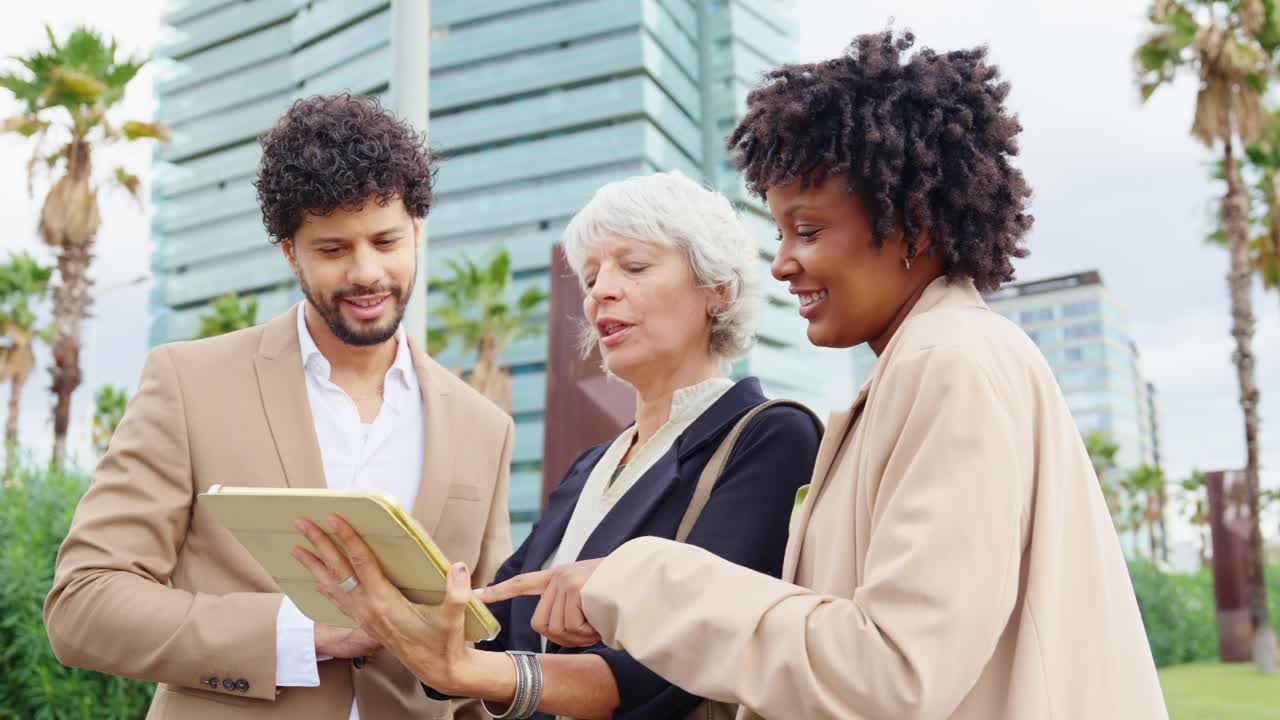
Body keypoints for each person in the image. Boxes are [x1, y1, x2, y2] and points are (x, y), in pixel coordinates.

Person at [477, 31, 1170, 720]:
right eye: (780, 235)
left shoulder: (948, 364)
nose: (781, 263)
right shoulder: (924, 364)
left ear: (914, 225)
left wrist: (639, 581)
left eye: (806, 232)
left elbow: (896, 672)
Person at [44, 94, 515, 720]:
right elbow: (84, 604)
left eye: (386, 240)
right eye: (332, 250)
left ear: (417, 232)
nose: (367, 272)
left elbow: (486, 646)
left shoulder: (486, 427)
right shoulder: (189, 384)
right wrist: (303, 636)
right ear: (289, 252)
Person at [290, 171, 823, 719]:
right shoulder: (593, 467)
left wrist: (469, 670)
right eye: (591, 278)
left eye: (634, 266)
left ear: (718, 289)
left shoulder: (771, 436)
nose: (601, 293)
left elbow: (686, 660)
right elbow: (492, 631)